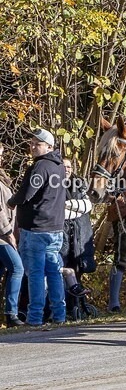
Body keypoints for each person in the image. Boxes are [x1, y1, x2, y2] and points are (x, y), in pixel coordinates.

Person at [7, 129, 67, 326]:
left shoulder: (40, 166)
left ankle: (35, 318)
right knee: (54, 272)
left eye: (37, 144)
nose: (33, 146)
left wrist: (11, 202)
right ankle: (59, 315)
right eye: (32, 143)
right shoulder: (60, 167)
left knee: (36, 274)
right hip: (55, 228)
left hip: (37, 229)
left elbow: (27, 194)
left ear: (49, 147)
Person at [60, 158, 95, 300]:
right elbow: (57, 210)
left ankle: (74, 304)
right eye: (64, 166)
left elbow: (87, 205)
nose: (67, 169)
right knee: (62, 268)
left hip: (79, 234)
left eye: (69, 166)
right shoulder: (54, 185)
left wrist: (69, 204)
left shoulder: (79, 184)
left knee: (77, 269)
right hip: (62, 233)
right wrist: (76, 207)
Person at [0, 144, 25, 327]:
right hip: (2, 235)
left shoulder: (2, 178)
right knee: (17, 268)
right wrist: (9, 233)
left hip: (5, 233)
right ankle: (11, 314)